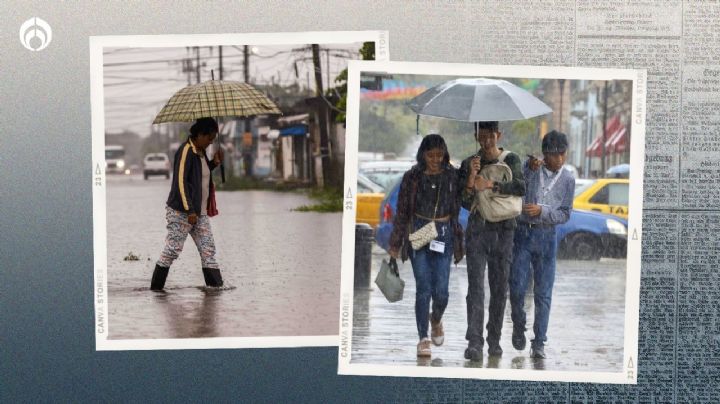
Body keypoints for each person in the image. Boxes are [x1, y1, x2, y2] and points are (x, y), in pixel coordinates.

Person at [389, 134, 464, 358]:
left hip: (443, 233)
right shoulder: (412, 177)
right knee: (423, 288)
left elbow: (468, 194)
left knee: (441, 291)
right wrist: (395, 243)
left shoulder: (453, 176)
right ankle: (423, 338)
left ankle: (436, 319)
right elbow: (402, 211)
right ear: (423, 154)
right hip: (418, 232)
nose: (435, 160)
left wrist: (471, 180)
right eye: (431, 155)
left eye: (440, 155)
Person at [459, 121, 525, 361]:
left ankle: (494, 339)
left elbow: (520, 187)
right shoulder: (469, 163)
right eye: (481, 136)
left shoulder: (512, 159)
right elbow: (464, 201)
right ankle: (474, 342)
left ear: (498, 135)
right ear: (476, 135)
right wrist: (471, 178)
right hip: (477, 230)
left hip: (505, 231)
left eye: (490, 136)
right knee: (475, 288)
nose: (486, 141)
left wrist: (491, 184)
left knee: (499, 289)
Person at [508, 130, 575, 359]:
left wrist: (543, 211)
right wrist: (528, 167)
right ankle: (519, 324)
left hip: (547, 237)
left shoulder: (568, 179)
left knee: (543, 293)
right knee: (516, 288)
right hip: (523, 234)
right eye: (555, 155)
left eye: (562, 154)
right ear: (545, 154)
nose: (559, 159)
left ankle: (539, 343)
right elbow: (518, 188)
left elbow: (565, 214)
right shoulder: (531, 169)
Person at [150, 117, 225, 291]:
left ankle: (216, 291)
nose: (210, 142)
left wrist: (214, 162)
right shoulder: (186, 151)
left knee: (208, 250)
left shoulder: (201, 152)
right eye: (209, 138)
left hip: (200, 213)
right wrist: (190, 210)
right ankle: (156, 291)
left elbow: (201, 176)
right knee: (172, 250)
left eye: (213, 139)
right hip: (181, 212)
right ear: (199, 135)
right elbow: (181, 183)